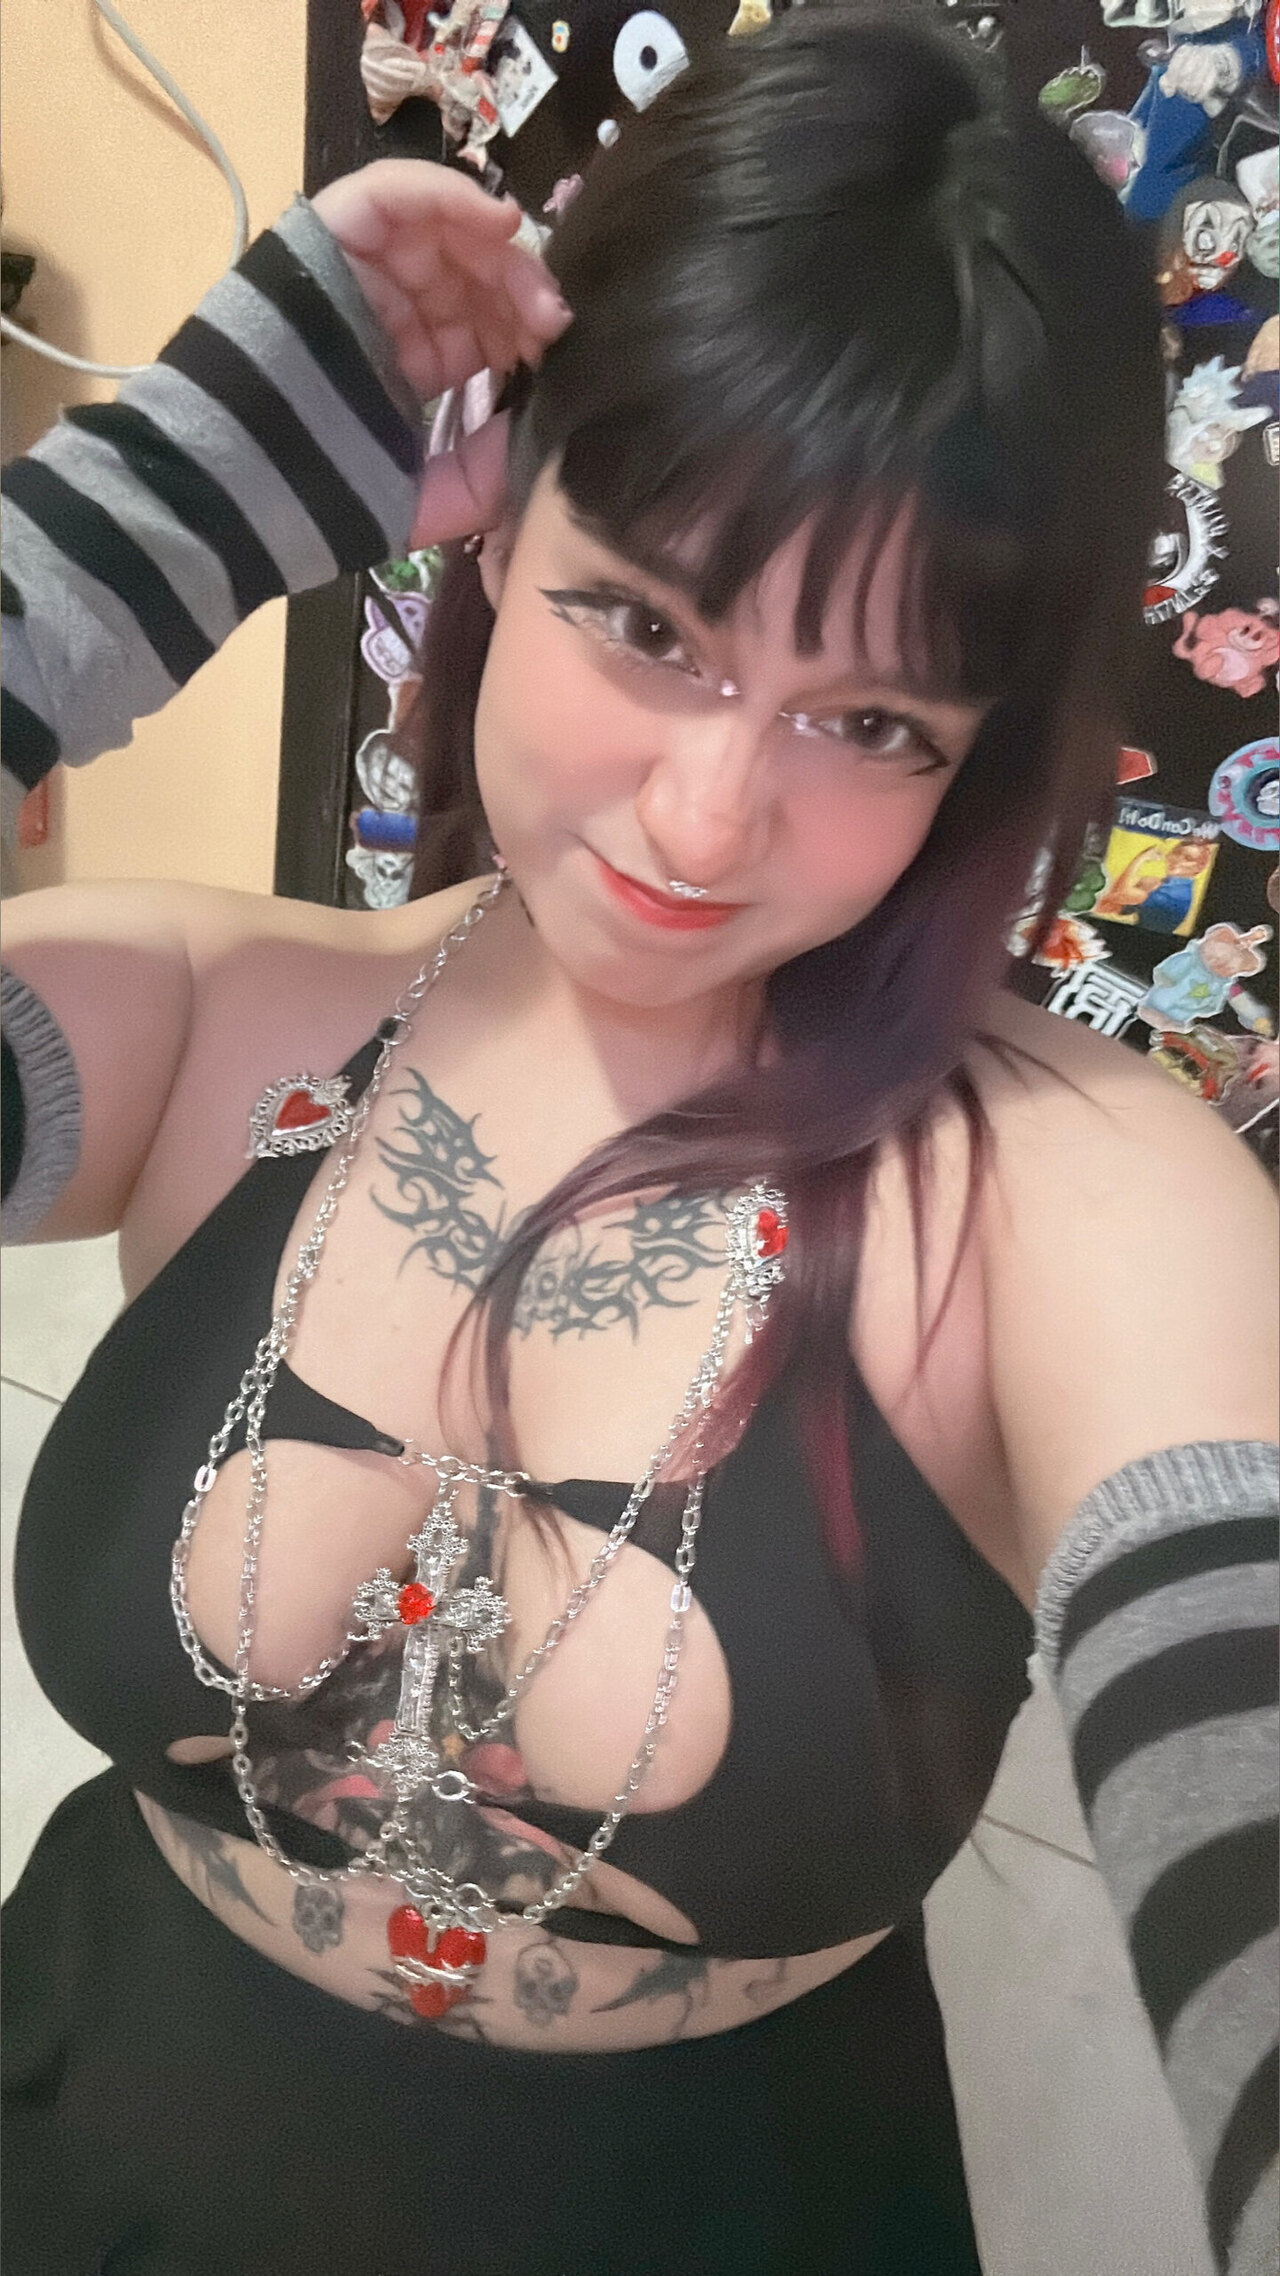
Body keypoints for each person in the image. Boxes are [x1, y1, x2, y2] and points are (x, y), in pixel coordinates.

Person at [1, 9, 1277, 2273]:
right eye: (645, 621)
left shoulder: (1087, 1199)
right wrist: (168, 512)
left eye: (868, 718)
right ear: (496, 529)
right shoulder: (211, 1014)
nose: (707, 818)